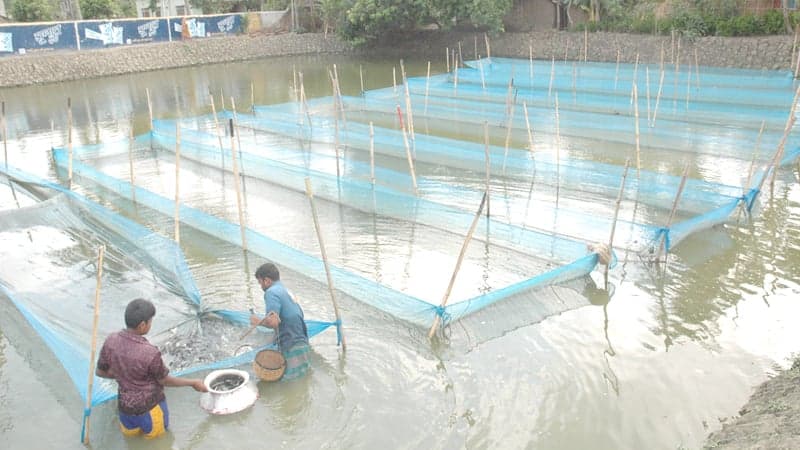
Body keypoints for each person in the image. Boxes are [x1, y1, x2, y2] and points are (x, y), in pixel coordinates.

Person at [96, 298, 207, 439]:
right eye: (150, 321)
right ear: (142, 325)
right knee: (158, 442)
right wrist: (193, 383)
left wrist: (123, 374)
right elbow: (165, 381)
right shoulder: (149, 352)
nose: (151, 325)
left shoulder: (111, 341)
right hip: (149, 410)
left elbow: (100, 372)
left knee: (132, 441)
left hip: (125, 411)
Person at [250, 262, 311, 380]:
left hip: (291, 342)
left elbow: (274, 322)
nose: (260, 286)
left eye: (260, 282)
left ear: (267, 280)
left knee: (291, 383)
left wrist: (258, 321)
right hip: (302, 339)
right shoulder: (285, 290)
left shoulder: (271, 292)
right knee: (303, 377)